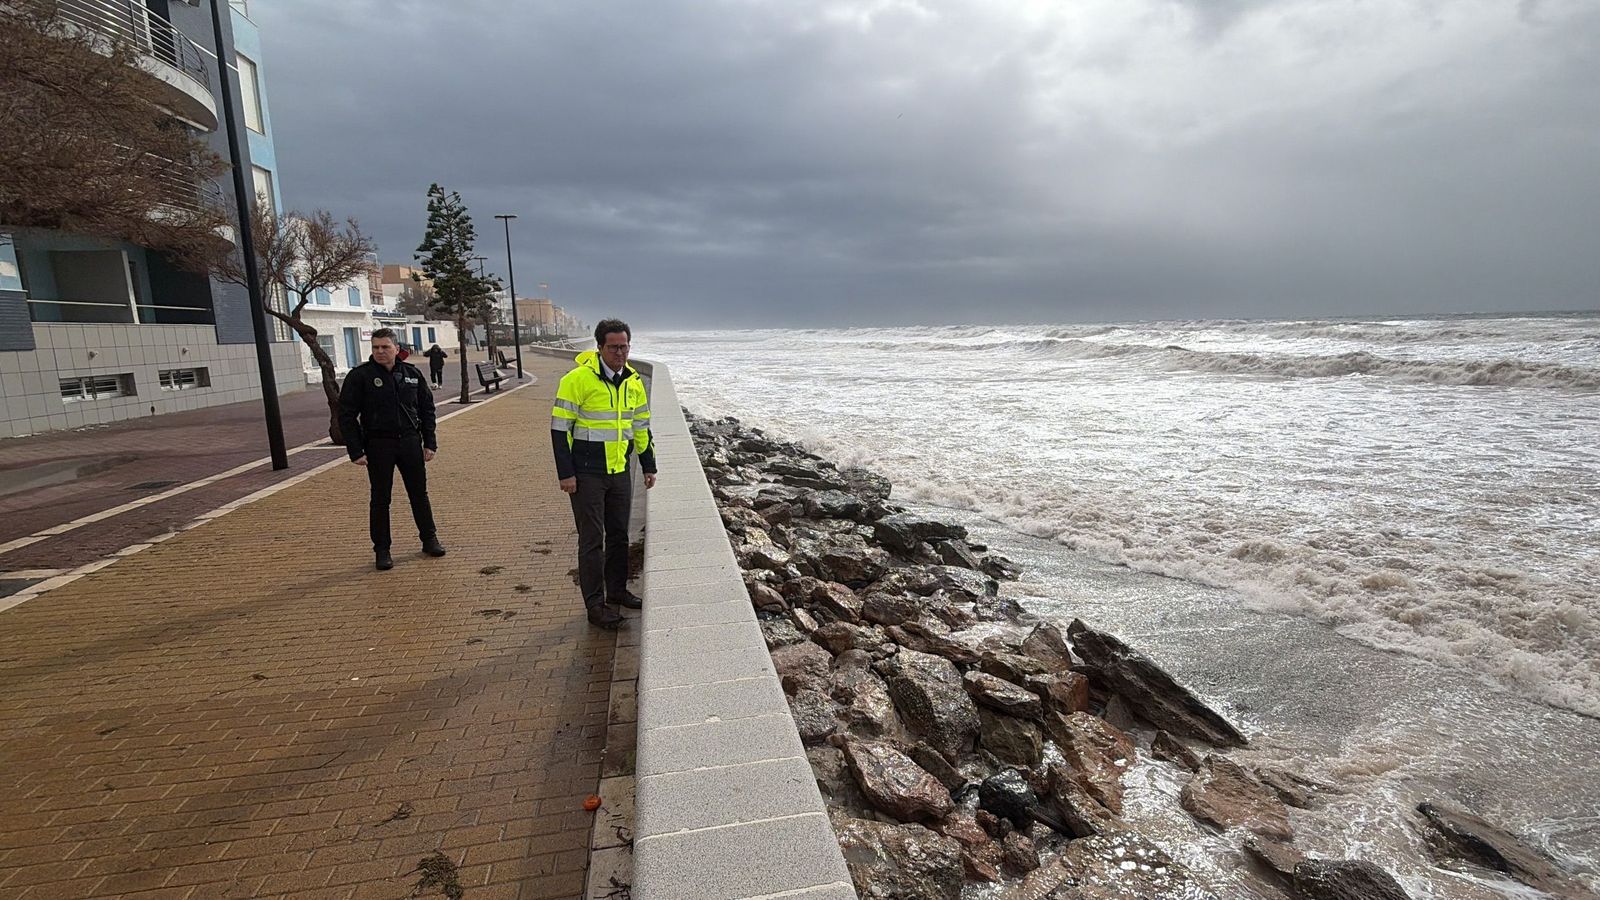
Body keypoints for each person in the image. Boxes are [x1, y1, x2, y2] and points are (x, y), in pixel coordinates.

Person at [551, 319, 657, 629]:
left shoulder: (633, 382)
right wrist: (566, 474)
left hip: (619, 470)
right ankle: (595, 606)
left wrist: (648, 465)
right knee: (592, 540)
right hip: (587, 474)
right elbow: (559, 430)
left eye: (624, 347)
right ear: (599, 347)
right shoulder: (576, 380)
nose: (619, 353)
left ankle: (618, 591)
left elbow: (641, 427)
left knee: (619, 535)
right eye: (613, 347)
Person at [338, 328, 447, 570]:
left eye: (385, 347)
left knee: (419, 494)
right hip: (378, 444)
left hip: (409, 442)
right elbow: (346, 415)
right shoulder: (360, 376)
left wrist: (430, 442)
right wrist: (356, 450)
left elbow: (427, 410)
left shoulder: (411, 374)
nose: (380, 351)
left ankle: (429, 539)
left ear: (396, 349)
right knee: (380, 499)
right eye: (375, 347)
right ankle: (382, 550)